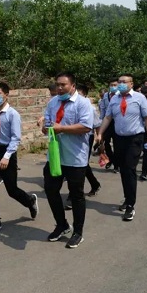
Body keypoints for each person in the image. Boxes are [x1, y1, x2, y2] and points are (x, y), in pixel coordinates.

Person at [0, 82, 38, 233]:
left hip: (8, 153)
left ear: (6, 95)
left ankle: (29, 200)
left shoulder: (13, 114)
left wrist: (6, 157)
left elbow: (15, 138)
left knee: (11, 189)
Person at [42, 73, 93, 248]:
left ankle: (78, 232)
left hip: (75, 157)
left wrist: (61, 128)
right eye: (58, 85)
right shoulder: (53, 103)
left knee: (76, 195)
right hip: (56, 156)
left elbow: (86, 126)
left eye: (63, 85)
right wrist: (45, 127)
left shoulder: (83, 103)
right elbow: (48, 124)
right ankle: (62, 224)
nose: (60, 88)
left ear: (73, 86)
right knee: (50, 190)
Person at [97, 74, 147, 221]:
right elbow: (108, 117)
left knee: (129, 169)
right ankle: (128, 198)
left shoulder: (139, 98)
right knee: (123, 169)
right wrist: (100, 134)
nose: (120, 84)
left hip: (135, 138)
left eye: (123, 82)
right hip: (119, 139)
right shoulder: (114, 99)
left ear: (131, 84)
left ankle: (130, 206)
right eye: (118, 82)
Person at [64, 84, 102, 210]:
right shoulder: (67, 105)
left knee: (79, 165)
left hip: (86, 137)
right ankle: (95, 184)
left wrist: (99, 137)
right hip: (70, 137)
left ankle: (72, 195)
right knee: (82, 164)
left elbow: (97, 124)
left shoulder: (89, 107)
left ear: (85, 95)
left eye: (79, 94)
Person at [98, 79, 120, 173]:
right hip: (107, 122)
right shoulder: (106, 96)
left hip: (117, 122)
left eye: (115, 85)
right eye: (112, 84)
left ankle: (117, 165)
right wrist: (101, 121)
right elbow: (103, 108)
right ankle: (111, 159)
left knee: (117, 144)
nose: (113, 86)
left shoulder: (120, 95)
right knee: (106, 143)